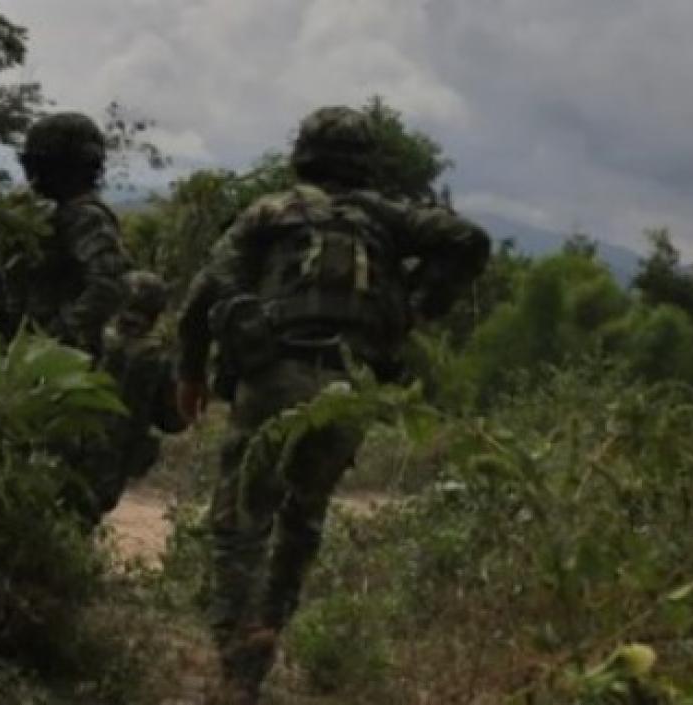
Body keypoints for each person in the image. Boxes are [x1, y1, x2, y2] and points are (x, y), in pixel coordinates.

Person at [174, 106, 491, 704]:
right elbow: (468, 240)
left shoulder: (270, 211)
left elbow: (204, 293)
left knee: (241, 519)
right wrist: (418, 308)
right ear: (365, 163)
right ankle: (269, 627)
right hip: (350, 388)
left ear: (303, 154)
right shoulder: (384, 218)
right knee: (303, 516)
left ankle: (234, 661)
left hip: (275, 376)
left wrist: (190, 372)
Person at [0, 111, 130, 358]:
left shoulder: (86, 217)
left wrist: (53, 336)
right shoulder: (44, 214)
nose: (33, 177)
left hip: (62, 359)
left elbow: (108, 286)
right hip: (28, 351)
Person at [62, 269, 189, 525]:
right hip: (110, 465)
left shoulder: (88, 339)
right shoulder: (157, 360)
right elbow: (173, 421)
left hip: (66, 449)